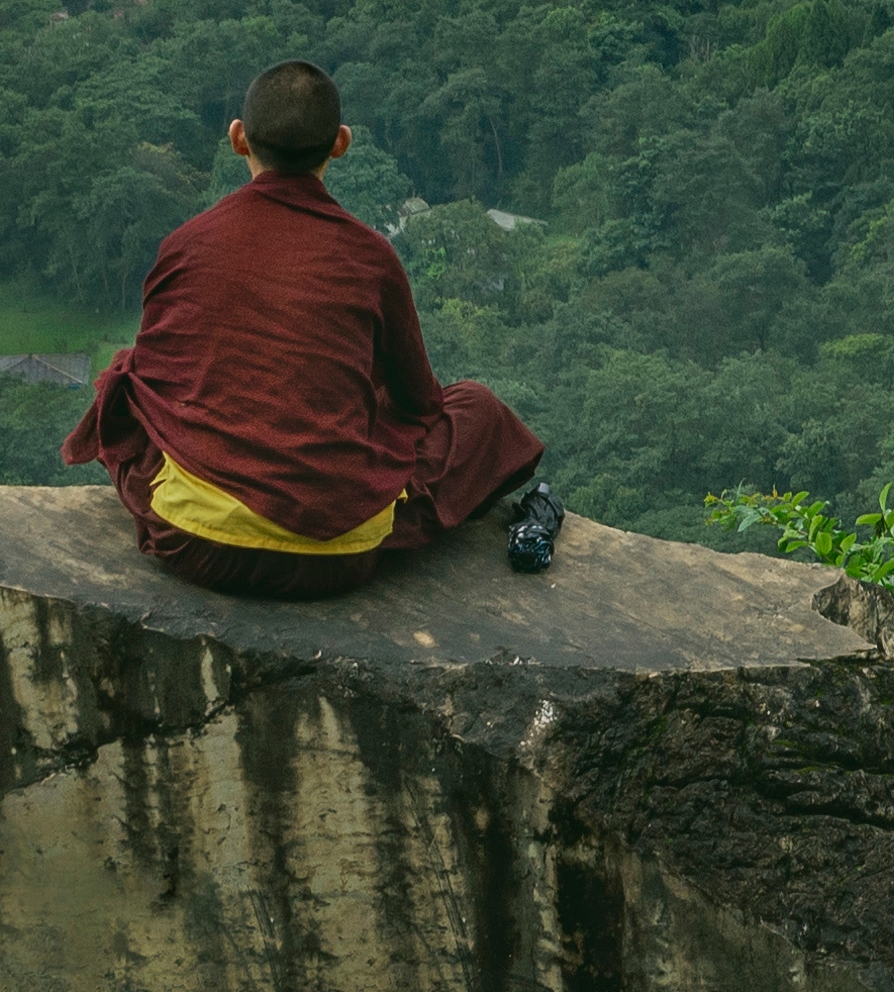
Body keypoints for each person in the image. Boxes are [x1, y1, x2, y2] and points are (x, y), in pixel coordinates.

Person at [64, 61, 561, 597]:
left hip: (192, 542)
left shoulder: (187, 243)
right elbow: (423, 407)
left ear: (237, 138)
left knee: (125, 376)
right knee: (478, 410)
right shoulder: (372, 258)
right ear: (341, 144)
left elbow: (154, 384)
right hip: (335, 560)